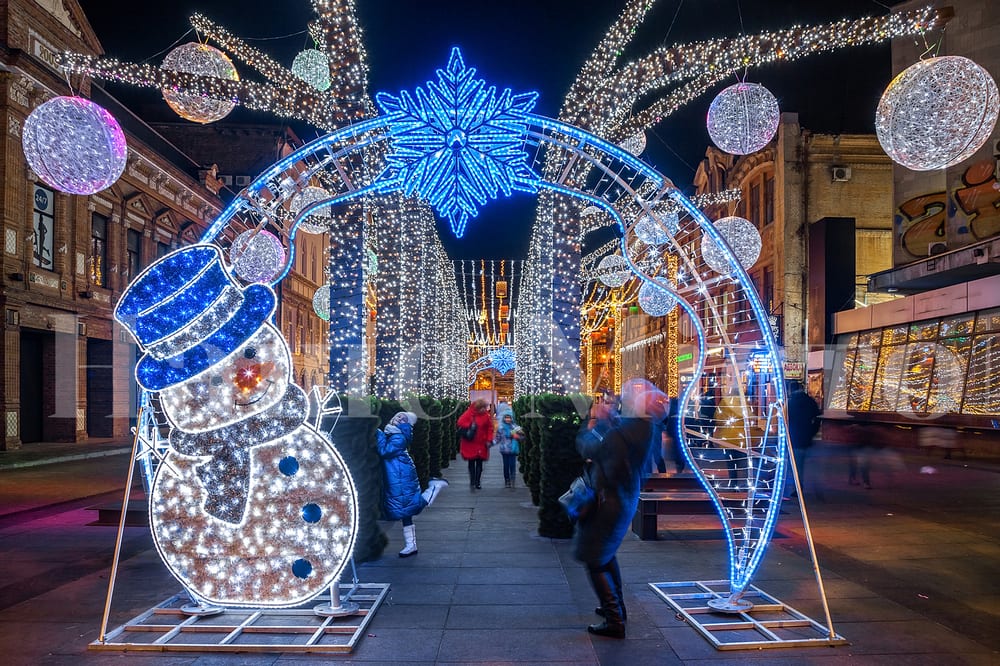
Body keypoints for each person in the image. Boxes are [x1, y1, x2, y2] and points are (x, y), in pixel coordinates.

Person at [573, 378, 668, 639]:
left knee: (595, 559)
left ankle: (614, 618)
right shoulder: (647, 427)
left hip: (608, 502)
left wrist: (592, 423)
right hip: (625, 497)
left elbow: (589, 448)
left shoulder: (623, 431)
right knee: (606, 554)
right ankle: (615, 607)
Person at [378, 411, 448, 557]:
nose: (399, 419)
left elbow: (385, 451)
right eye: (398, 416)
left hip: (400, 475)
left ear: (407, 424)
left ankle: (433, 489)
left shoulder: (398, 436)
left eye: (403, 419)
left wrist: (377, 434)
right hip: (398, 473)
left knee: (407, 507)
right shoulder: (393, 433)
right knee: (405, 510)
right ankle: (411, 545)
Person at [785, 380, 821, 498]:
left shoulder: (790, 402)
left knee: (793, 465)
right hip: (805, 437)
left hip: (793, 437)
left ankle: (797, 488)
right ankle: (798, 486)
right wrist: (812, 431)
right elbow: (817, 417)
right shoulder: (810, 401)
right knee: (799, 464)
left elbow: (785, 420)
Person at [457, 398, 495, 490]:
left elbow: (490, 428)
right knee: (471, 463)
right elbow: (460, 422)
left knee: (479, 464)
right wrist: (470, 425)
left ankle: (477, 482)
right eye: (482, 408)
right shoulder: (469, 413)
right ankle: (473, 481)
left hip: (481, 443)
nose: (484, 409)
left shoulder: (485, 416)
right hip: (470, 443)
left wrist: (489, 440)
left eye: (484, 408)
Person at [493, 408, 523, 488]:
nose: (508, 419)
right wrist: (491, 443)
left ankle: (512, 478)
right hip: (504, 449)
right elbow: (497, 438)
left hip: (512, 449)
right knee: (506, 465)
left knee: (512, 465)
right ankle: (507, 480)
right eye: (506, 417)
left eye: (509, 417)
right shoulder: (501, 428)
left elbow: (522, 437)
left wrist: (517, 437)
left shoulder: (515, 427)